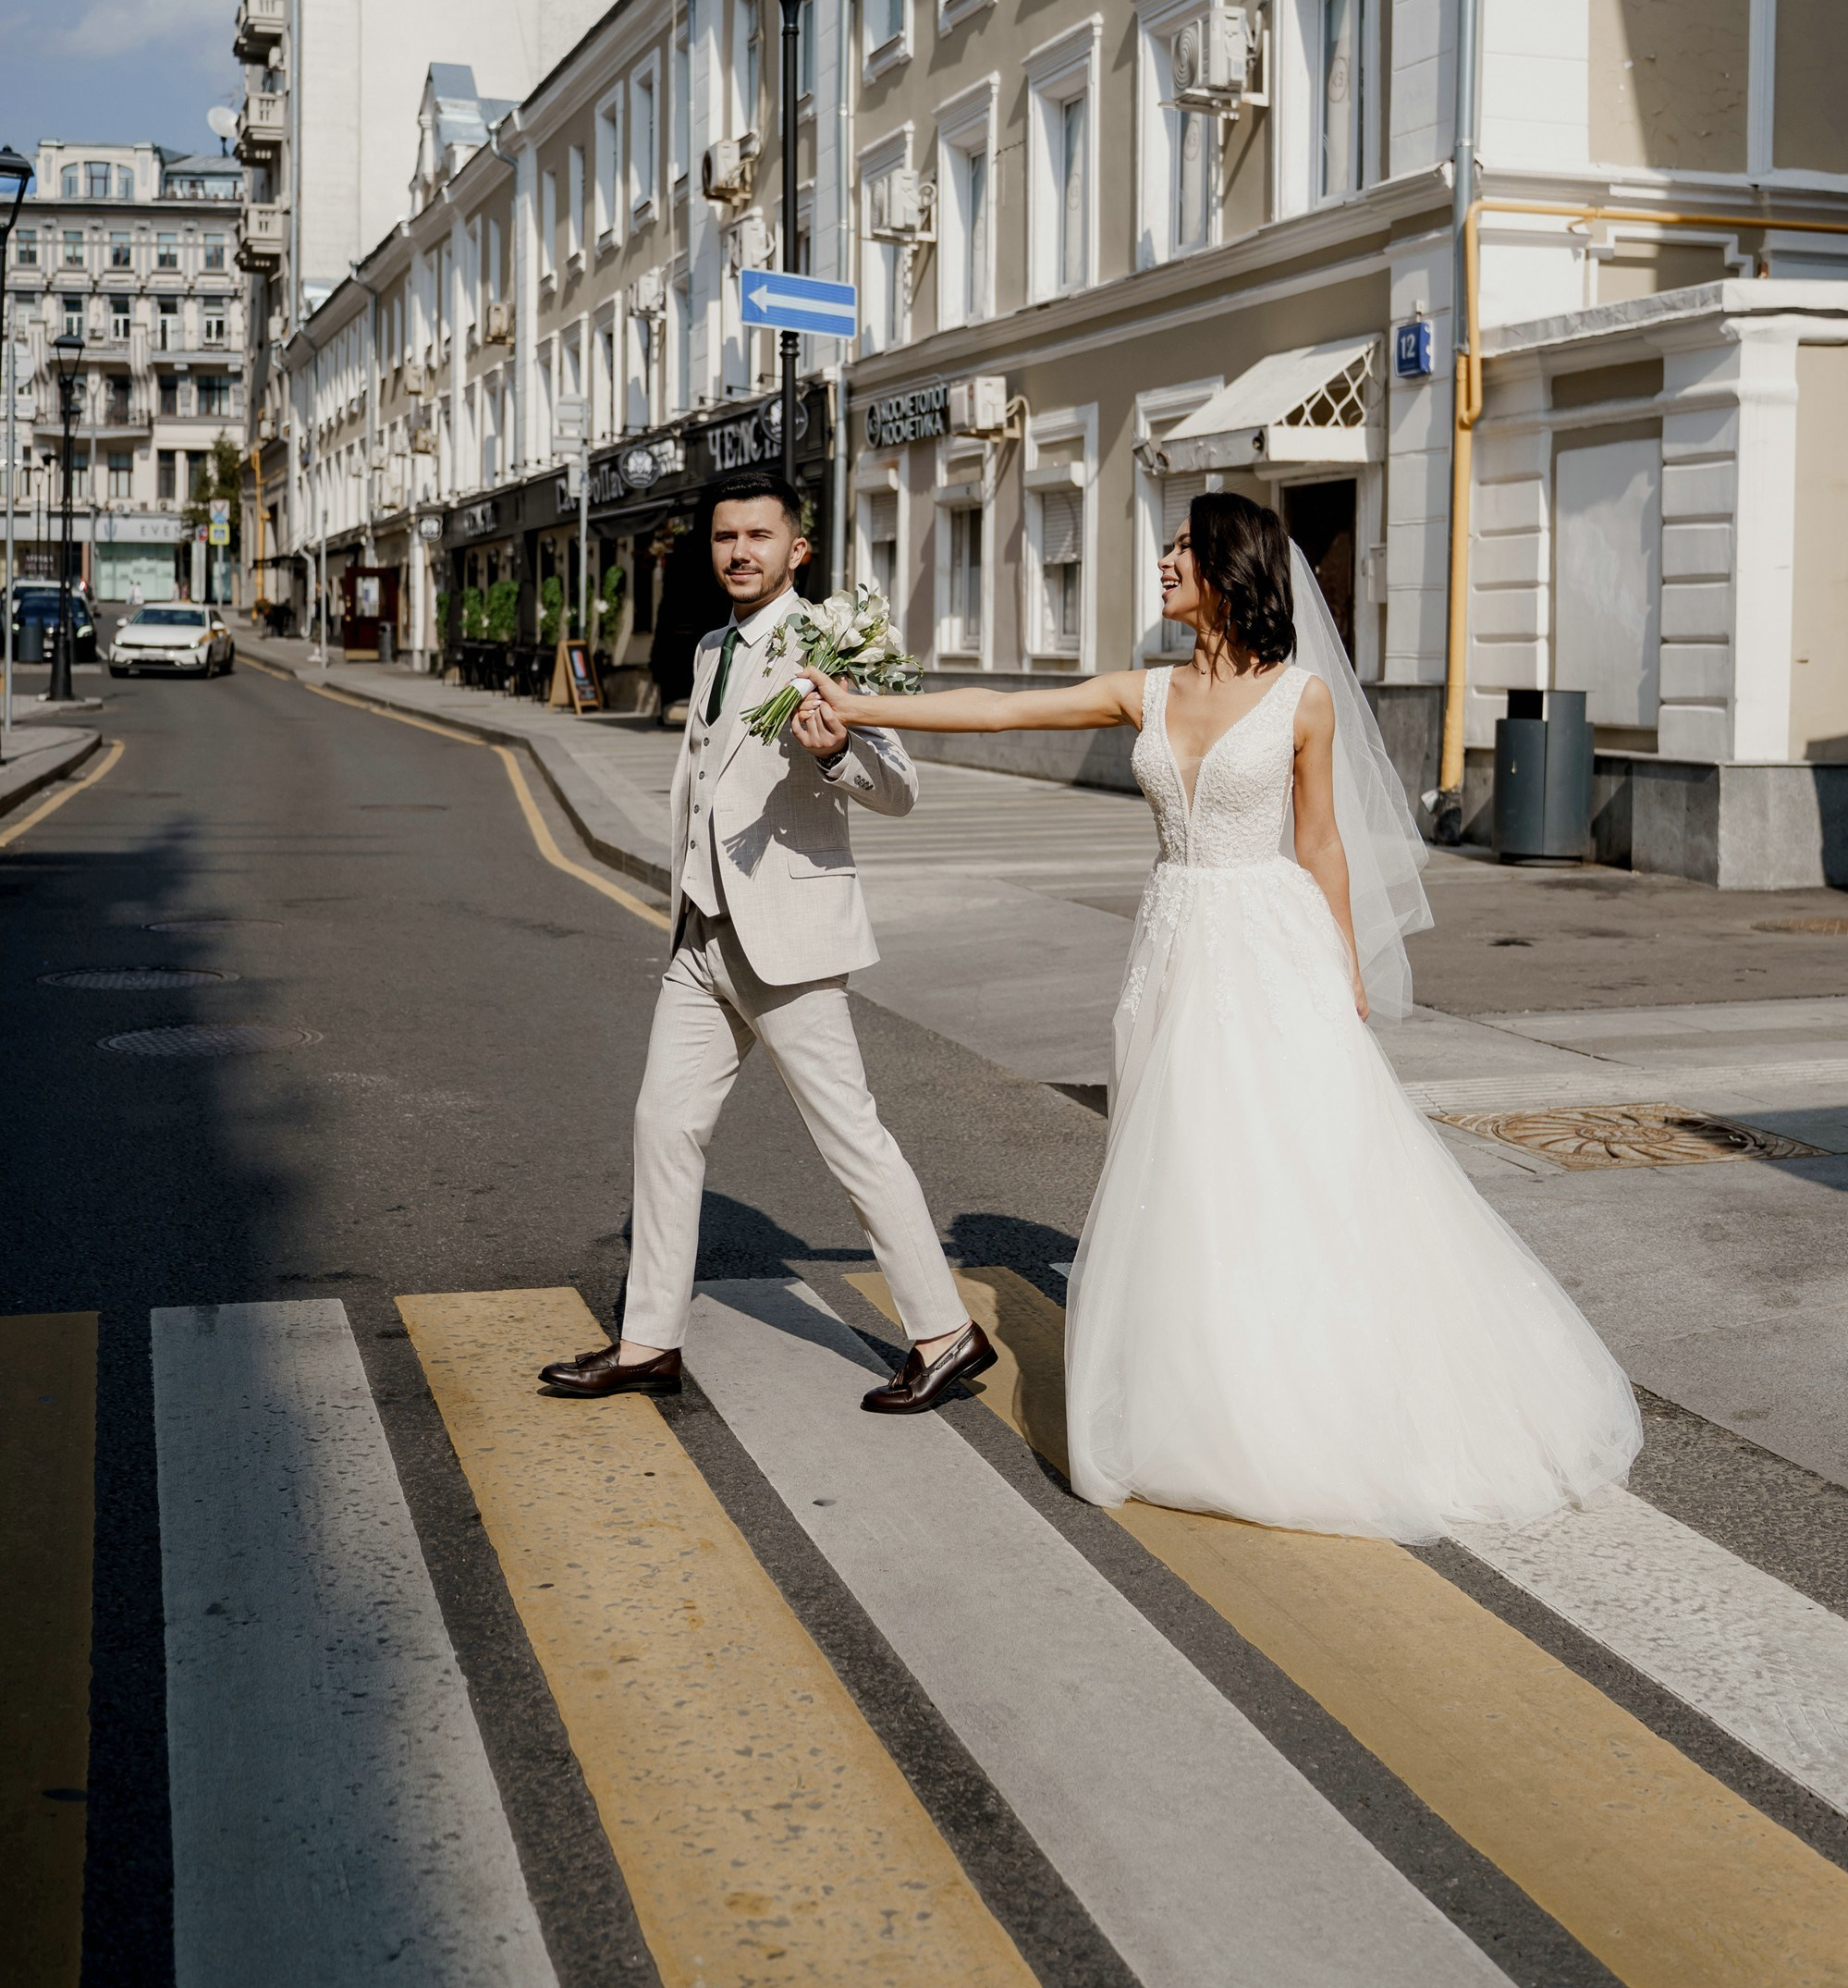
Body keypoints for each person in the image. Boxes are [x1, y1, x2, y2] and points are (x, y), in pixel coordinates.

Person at [798, 492, 1640, 1541]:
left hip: (1270, 944)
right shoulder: (1139, 691)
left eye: (1178, 548)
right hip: (1170, 943)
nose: (1159, 562)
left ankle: (1309, 1385)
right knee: (1182, 1158)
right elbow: (1000, 710)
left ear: (1227, 568)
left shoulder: (1302, 700)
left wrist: (1345, 960)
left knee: (1285, 1161)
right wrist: (865, 705)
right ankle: (1201, 1384)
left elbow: (1323, 842)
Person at [541, 473, 994, 1414]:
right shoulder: (713, 646)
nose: (737, 551)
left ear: (799, 550)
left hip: (785, 940)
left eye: (757, 535)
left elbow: (896, 787)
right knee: (664, 1126)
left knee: (850, 1139)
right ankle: (648, 1341)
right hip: (701, 936)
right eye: (722, 537)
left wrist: (836, 750)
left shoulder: (824, 642)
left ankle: (945, 1334)